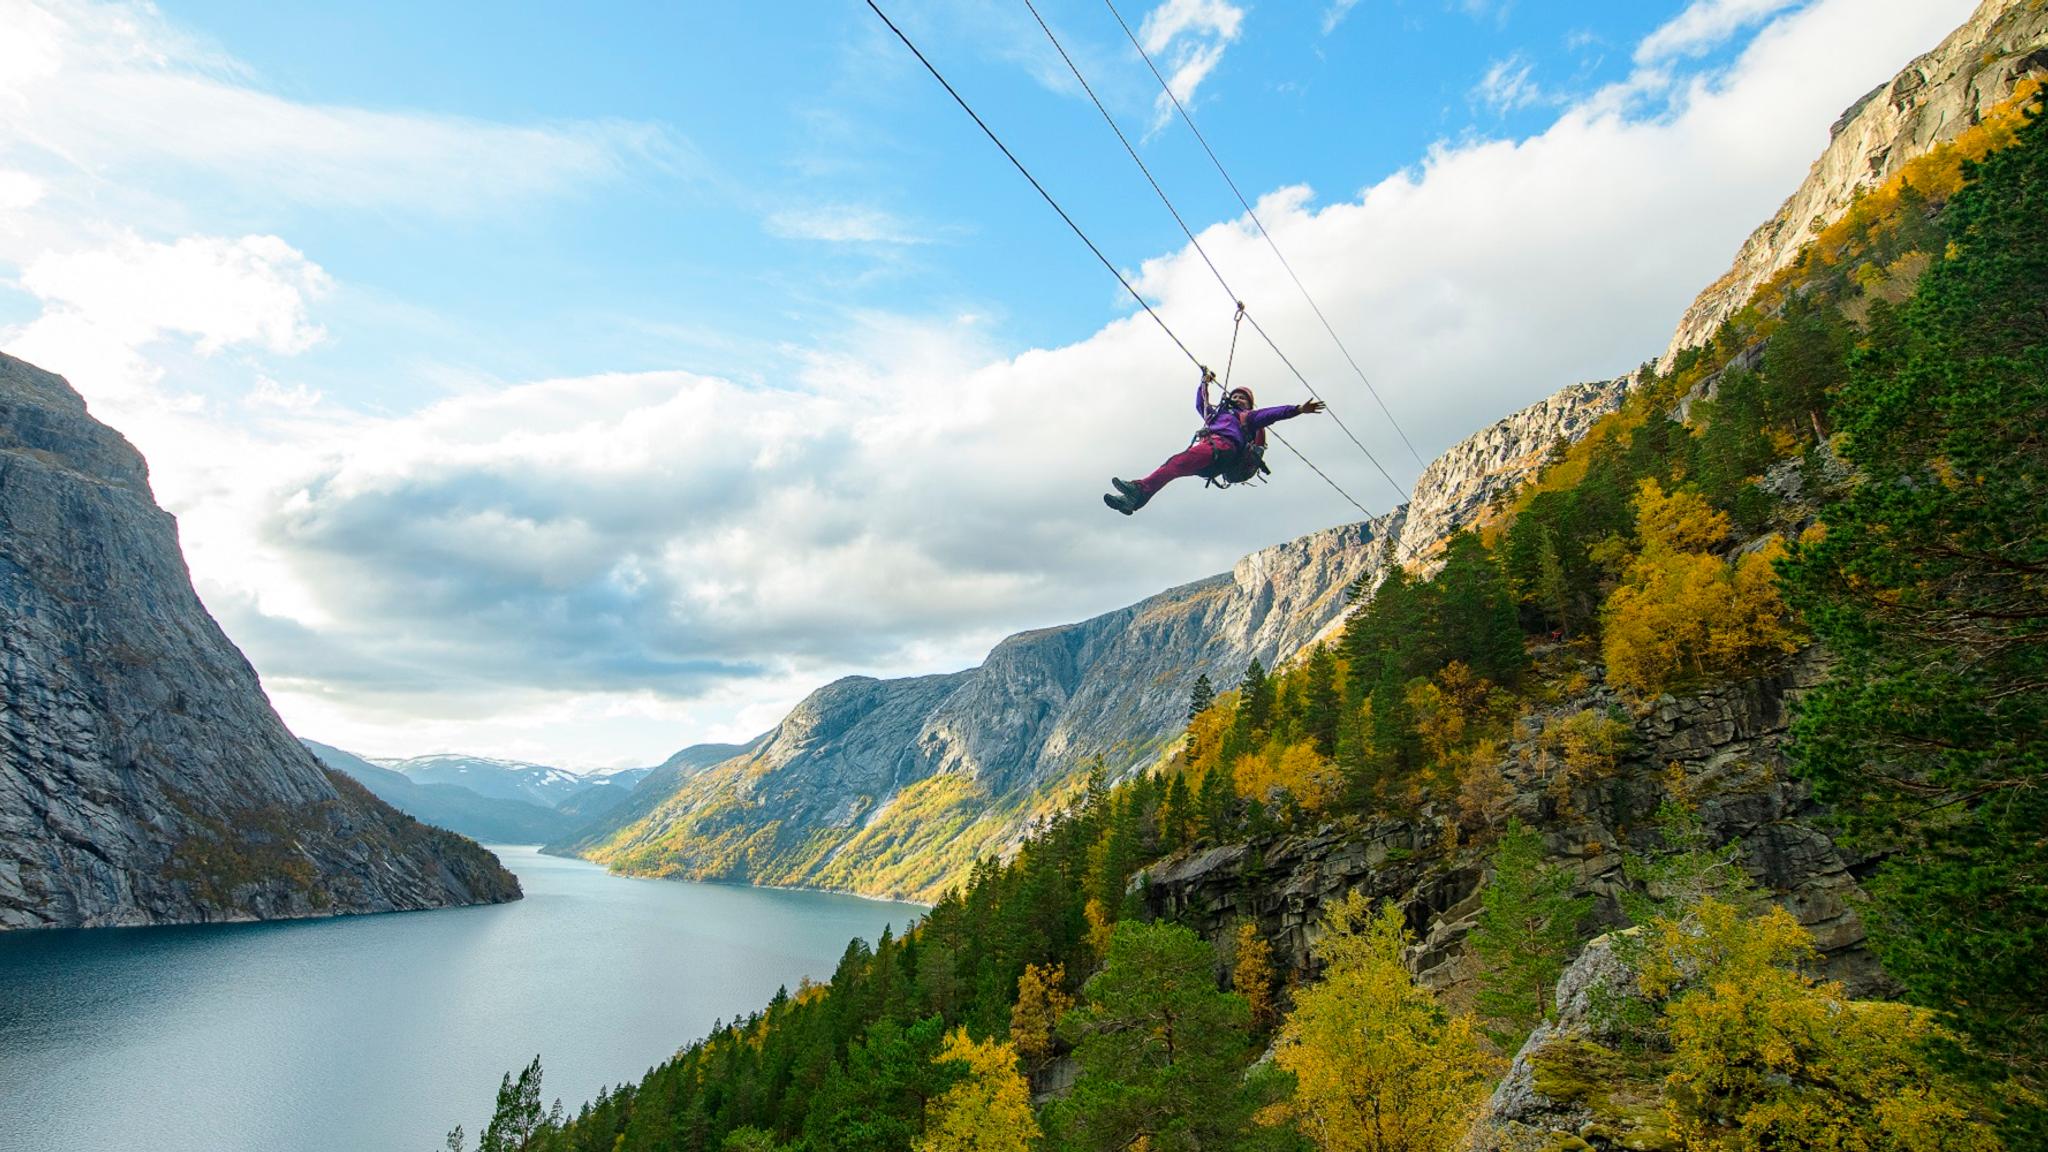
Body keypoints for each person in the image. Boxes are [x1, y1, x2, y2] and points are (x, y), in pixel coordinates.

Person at [1103, 372, 1326, 514]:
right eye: (1235, 396)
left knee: (1175, 464)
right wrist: (1203, 383)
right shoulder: (1216, 415)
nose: (1237, 399)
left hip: (1222, 449)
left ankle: (1138, 489)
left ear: (1248, 404)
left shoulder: (1247, 417)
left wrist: (1297, 409)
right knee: (1173, 467)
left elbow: (1272, 414)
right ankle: (1134, 501)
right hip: (1211, 456)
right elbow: (1201, 404)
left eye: (1243, 398)